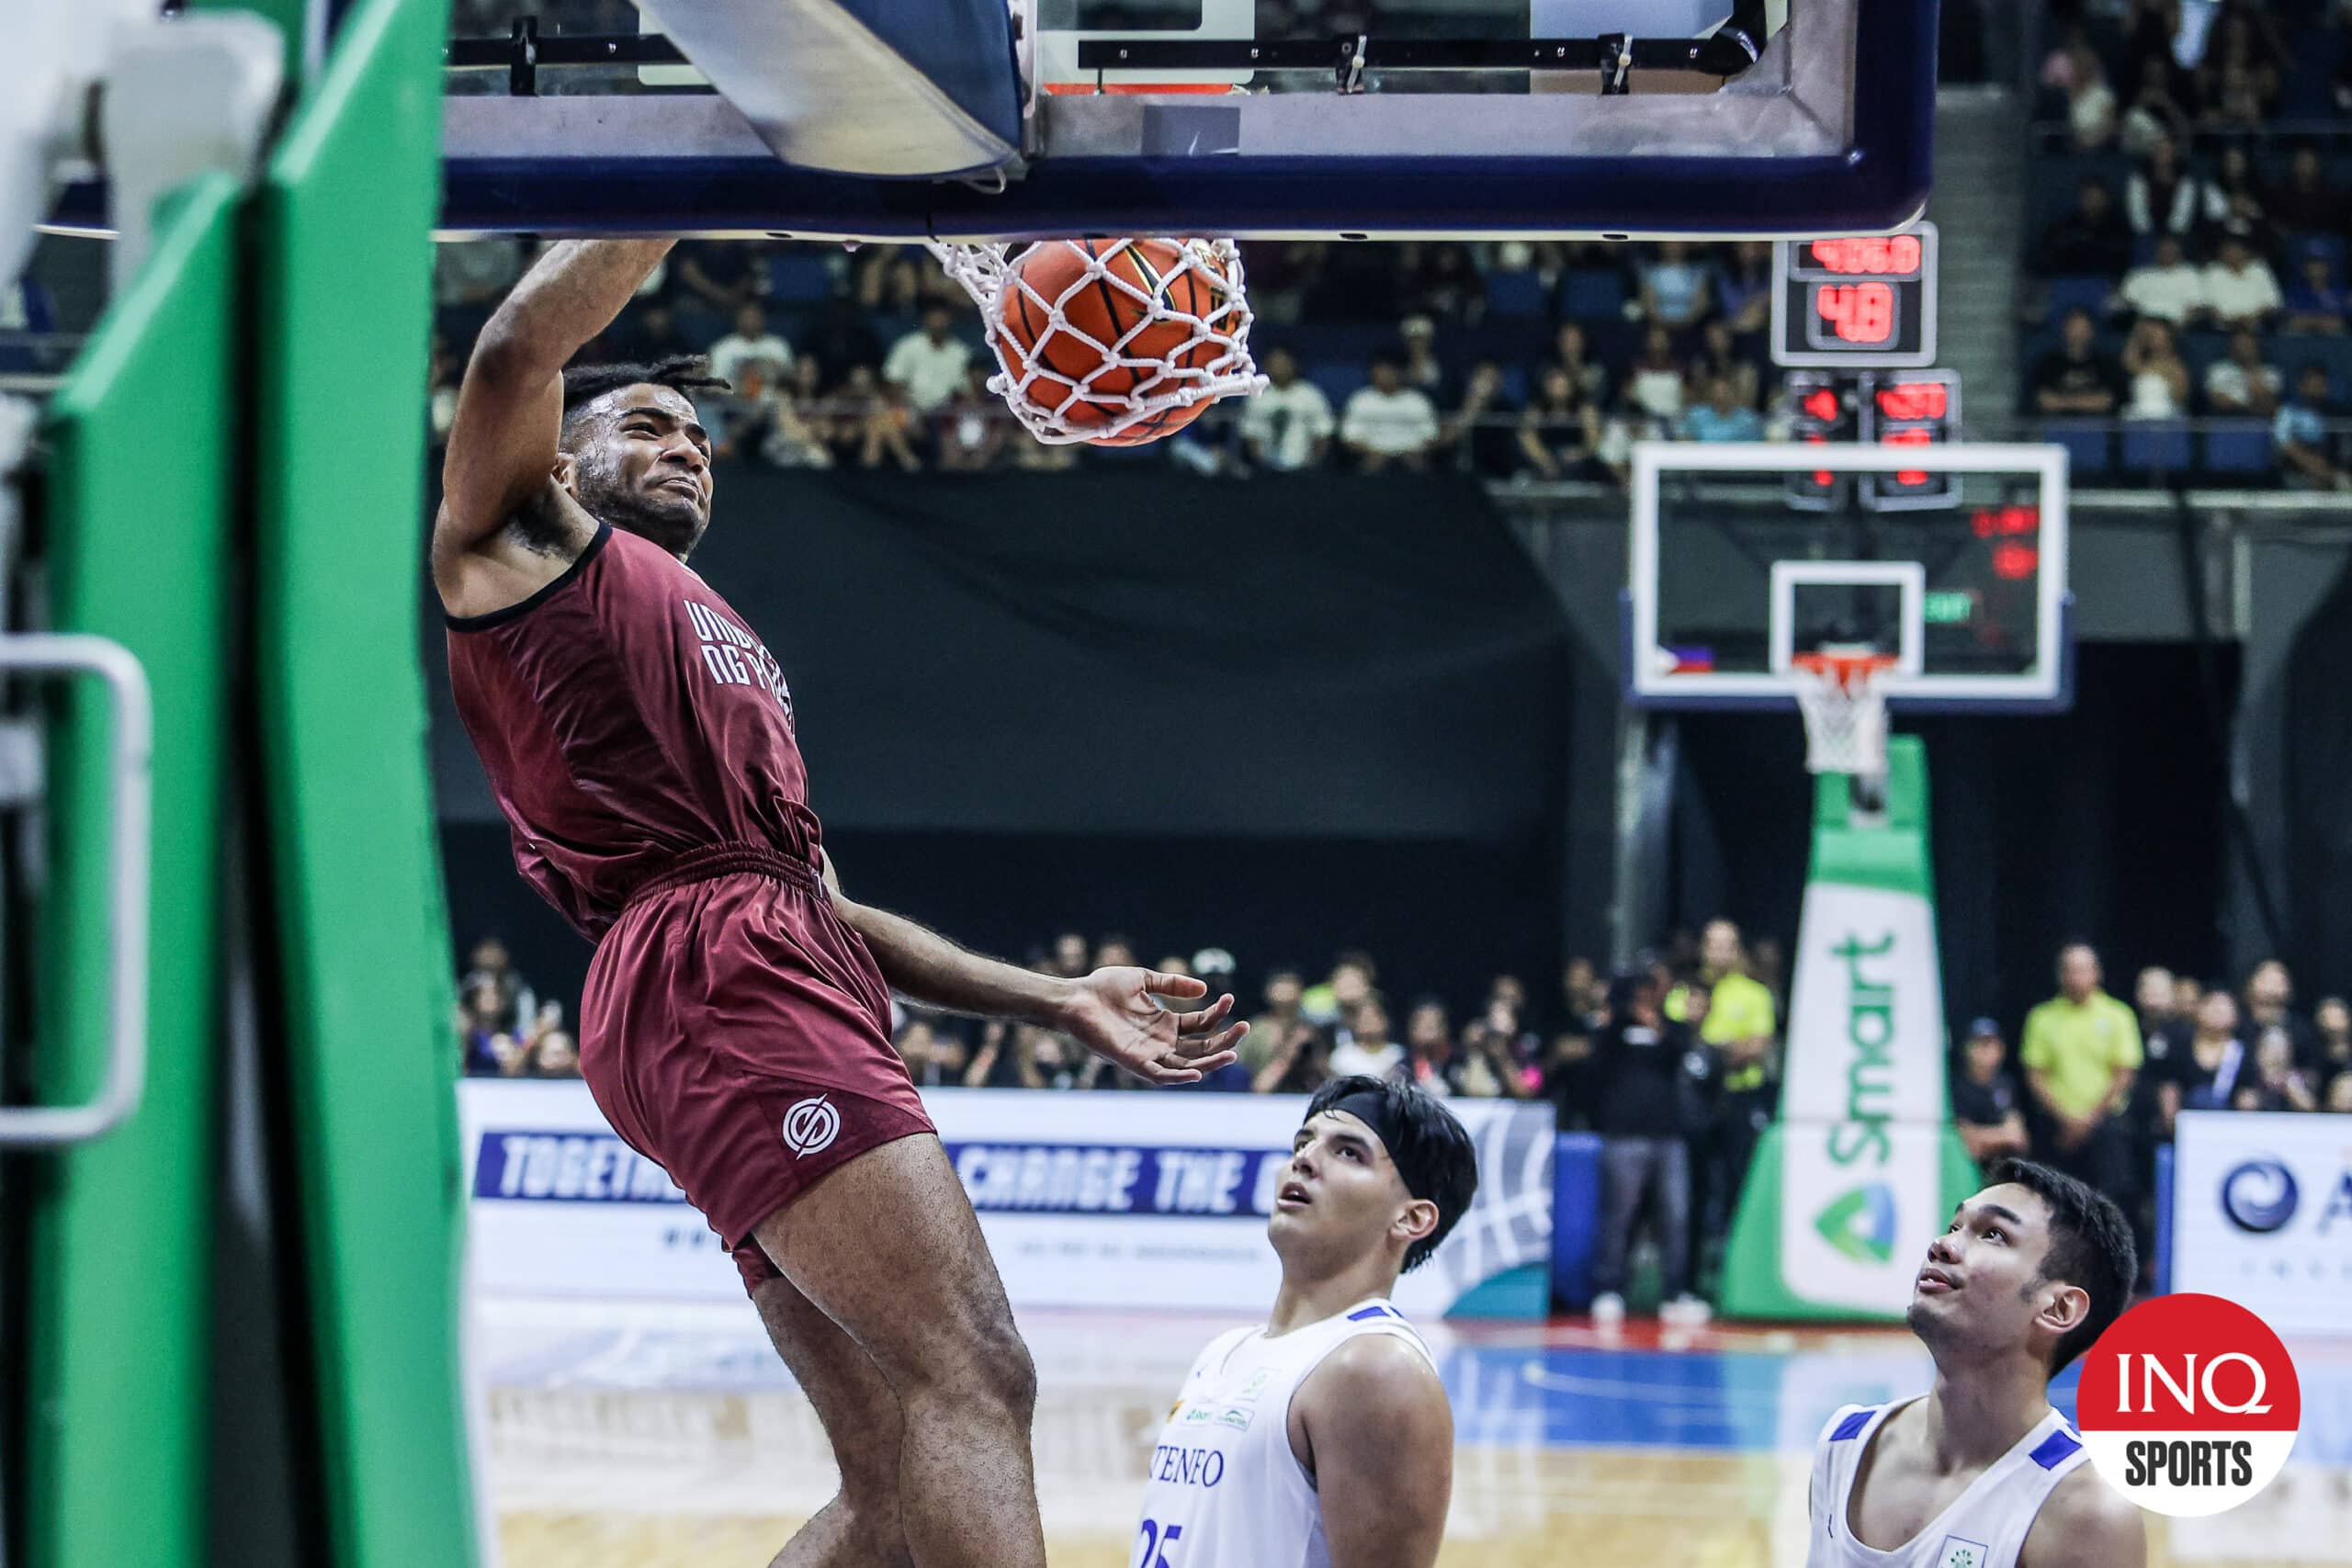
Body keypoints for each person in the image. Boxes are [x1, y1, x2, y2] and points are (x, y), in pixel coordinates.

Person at [433, 239, 1245, 1568]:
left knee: (891, 1475)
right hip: (712, 967)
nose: (689, 446)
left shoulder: (715, 626)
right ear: (561, 459)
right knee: (980, 1376)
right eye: (645, 425)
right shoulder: (515, 547)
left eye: (701, 434)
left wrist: (1054, 997)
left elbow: (826, 900)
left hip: (756, 957)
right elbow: (518, 351)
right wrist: (676, 189)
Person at [1132, 1076, 1477, 1568]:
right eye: (1304, 1141)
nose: (1306, 1159)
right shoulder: (1225, 1352)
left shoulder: (1375, 1368)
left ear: (1411, 1219)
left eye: (1349, 1153)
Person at [1806, 1160, 2143, 1567]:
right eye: (1954, 1227)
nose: (1942, 1245)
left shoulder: (2083, 1513)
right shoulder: (1845, 1445)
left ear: (2058, 1308)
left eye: (1994, 1235)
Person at [1588, 970, 1710, 1328]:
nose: (1646, 997)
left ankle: (1676, 1292)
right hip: (1624, 1134)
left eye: (1652, 990)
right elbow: (1598, 1066)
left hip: (1668, 1136)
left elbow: (1680, 1054)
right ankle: (1608, 1289)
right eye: (1639, 991)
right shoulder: (1613, 1030)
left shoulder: (1673, 1030)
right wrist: (1616, 1018)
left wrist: (1659, 1027)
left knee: (1676, 1215)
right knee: (1619, 1215)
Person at [2017, 943, 2140, 1198]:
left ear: (2097, 973)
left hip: (2105, 1124)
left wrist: (2089, 1120)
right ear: (2060, 975)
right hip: (2056, 1124)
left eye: (2083, 970)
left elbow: (2124, 1072)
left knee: (2113, 1195)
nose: (2076, 978)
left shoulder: (2118, 1015)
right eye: (2070, 971)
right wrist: (2066, 1119)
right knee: (2051, 1197)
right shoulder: (2042, 1017)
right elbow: (2035, 1074)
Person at [1951, 1019, 2030, 1169]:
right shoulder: (1958, 1088)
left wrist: (1986, 1137)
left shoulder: (2005, 1084)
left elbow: (2018, 1137)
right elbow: (1968, 1143)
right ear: (1967, 1048)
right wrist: (2003, 1135)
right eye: (1980, 1044)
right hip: (1970, 1170)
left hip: (2006, 1168)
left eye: (1992, 1044)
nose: (1986, 1051)